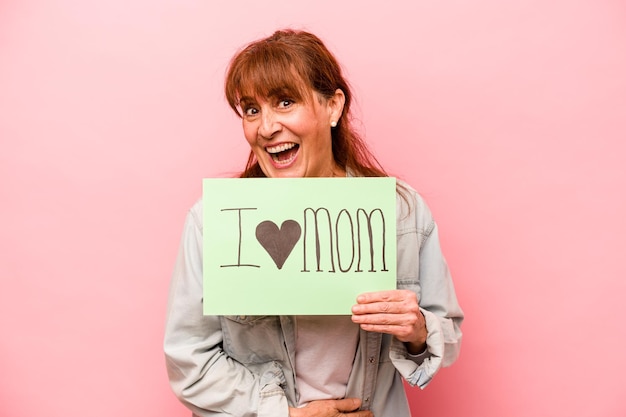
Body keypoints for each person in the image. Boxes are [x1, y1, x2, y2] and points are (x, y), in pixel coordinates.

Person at [164, 29, 464, 417]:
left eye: (284, 102)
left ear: (333, 107)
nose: (266, 126)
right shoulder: (214, 221)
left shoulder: (400, 212)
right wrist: (285, 415)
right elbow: (189, 361)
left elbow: (448, 337)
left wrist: (419, 330)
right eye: (252, 110)